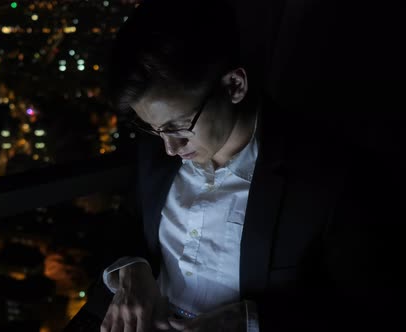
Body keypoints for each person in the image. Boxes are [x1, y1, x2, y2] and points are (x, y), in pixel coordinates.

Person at [65, 0, 405, 331]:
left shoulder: (328, 178)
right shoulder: (155, 149)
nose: (168, 148)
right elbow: (129, 221)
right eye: (153, 129)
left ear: (234, 85)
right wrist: (132, 269)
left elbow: (367, 309)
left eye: (178, 126)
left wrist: (249, 322)